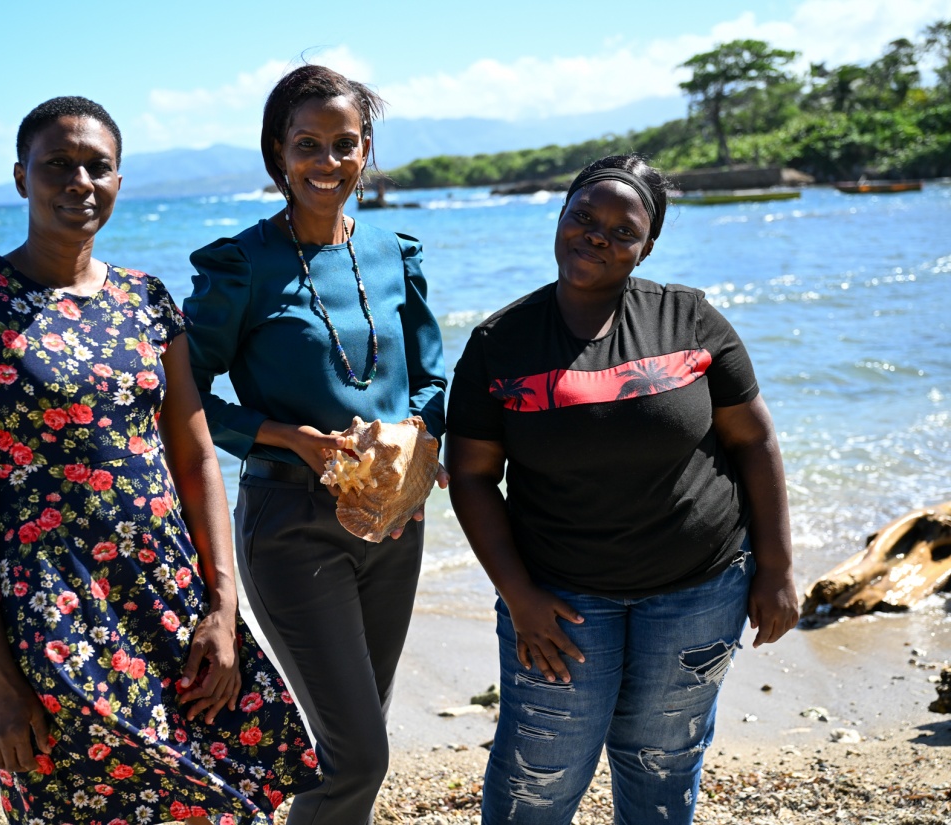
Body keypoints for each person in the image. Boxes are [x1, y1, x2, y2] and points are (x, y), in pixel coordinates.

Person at [0, 96, 319, 825]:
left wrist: (223, 607)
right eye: (57, 165)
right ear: (20, 178)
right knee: (76, 796)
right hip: (50, 613)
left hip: (168, 595)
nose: (79, 181)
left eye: (97, 166)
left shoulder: (146, 300)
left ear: (119, 182)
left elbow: (196, 458)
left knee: (219, 793)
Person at [445, 154, 799, 825]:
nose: (597, 234)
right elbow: (470, 474)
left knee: (662, 767)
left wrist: (777, 569)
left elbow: (755, 441)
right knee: (538, 778)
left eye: (622, 229)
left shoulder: (689, 320)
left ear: (647, 247)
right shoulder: (501, 342)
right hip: (562, 601)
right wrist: (520, 596)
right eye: (584, 215)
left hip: (699, 590)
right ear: (561, 212)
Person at [183, 65, 447, 825]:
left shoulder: (399, 254)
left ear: (366, 151)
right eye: (308, 145)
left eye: (344, 144)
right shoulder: (241, 265)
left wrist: (413, 446)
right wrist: (284, 436)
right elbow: (184, 397)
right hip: (292, 527)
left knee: (354, 740)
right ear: (277, 153)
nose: (326, 163)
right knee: (358, 753)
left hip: (395, 524)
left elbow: (431, 380)